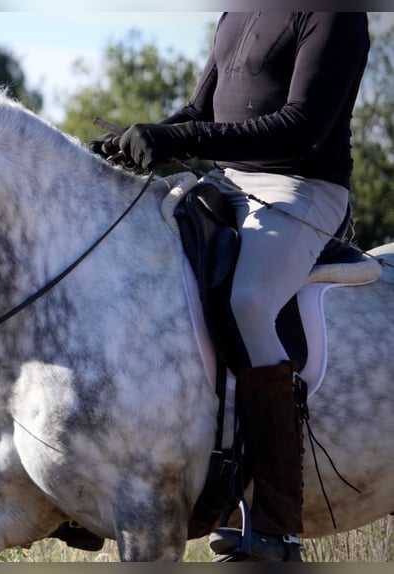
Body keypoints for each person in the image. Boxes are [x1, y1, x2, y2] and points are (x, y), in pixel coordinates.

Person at [89, 12, 370, 562]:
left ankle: (275, 522)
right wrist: (141, 141)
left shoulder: (336, 14)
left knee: (249, 302)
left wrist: (182, 137)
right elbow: (200, 111)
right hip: (227, 180)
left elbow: (303, 125)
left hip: (301, 187)